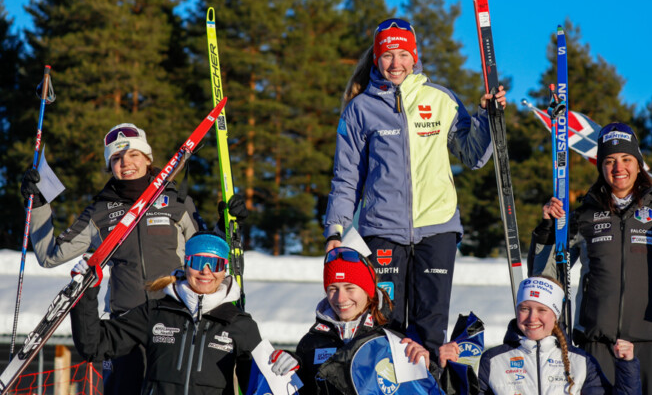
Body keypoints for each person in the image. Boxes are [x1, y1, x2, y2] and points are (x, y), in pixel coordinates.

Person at [324, 18, 505, 360]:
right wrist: (335, 229)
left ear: (415, 56)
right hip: (382, 232)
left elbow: (473, 156)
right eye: (388, 55)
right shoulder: (360, 109)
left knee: (429, 329)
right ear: (376, 58)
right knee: (383, 325)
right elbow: (346, 176)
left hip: (437, 229)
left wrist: (487, 119)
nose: (396, 63)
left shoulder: (440, 100)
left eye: (403, 54)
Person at [20, 123, 247, 394]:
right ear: (109, 166)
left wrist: (227, 224)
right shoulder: (100, 211)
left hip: (174, 322)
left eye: (133, 155)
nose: (125, 163)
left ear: (148, 158)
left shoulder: (175, 201)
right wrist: (39, 203)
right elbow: (49, 256)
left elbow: (205, 251)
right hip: (126, 326)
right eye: (116, 158)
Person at [530, 122, 652, 394]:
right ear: (601, 166)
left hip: (649, 342)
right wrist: (547, 229)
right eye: (610, 160)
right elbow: (546, 277)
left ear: (639, 164)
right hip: (596, 342)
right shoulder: (584, 215)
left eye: (627, 159)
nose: (619, 168)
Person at [70, 231, 266, 394]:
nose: (206, 272)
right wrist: (85, 293)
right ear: (186, 264)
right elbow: (93, 346)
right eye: (199, 262)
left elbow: (261, 384)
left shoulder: (239, 324)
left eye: (215, 264)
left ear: (224, 270)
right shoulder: (155, 312)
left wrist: (291, 362)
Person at [439, 276, 641, 394]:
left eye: (542, 310)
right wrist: (448, 369)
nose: (532, 318)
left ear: (555, 315)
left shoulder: (581, 361)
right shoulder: (493, 360)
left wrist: (627, 366)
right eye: (525, 308)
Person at [295, 246, 438, 394]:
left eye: (349, 288)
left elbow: (416, 391)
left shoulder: (392, 341)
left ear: (368, 291)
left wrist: (425, 369)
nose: (340, 298)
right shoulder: (310, 343)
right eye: (333, 289)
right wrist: (290, 371)